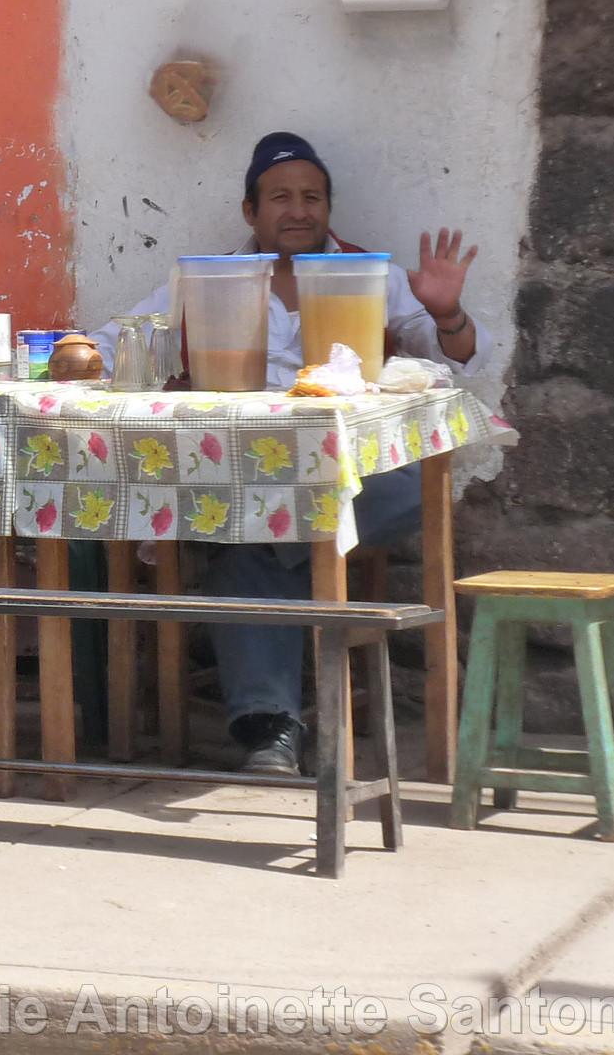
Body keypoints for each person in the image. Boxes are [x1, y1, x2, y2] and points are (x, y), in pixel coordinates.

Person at [93, 131, 488, 775]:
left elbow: (460, 359)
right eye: (281, 197)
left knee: (392, 491)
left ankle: (271, 553)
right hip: (244, 478)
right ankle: (269, 729)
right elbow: (114, 340)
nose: (299, 209)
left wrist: (446, 313)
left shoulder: (373, 274)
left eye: (313, 196)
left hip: (356, 480)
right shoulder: (206, 281)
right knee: (245, 516)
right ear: (251, 212)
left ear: (329, 209)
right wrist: (76, 356)